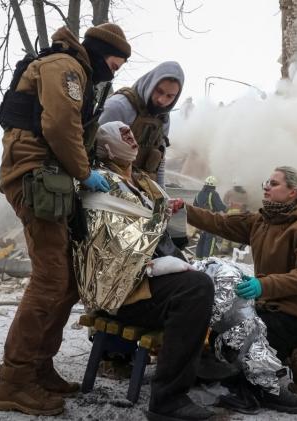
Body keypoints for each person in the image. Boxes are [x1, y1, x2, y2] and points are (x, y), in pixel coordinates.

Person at [0, 23, 131, 416]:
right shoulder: (65, 68)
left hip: (51, 179)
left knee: (67, 280)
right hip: (35, 177)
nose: (117, 69)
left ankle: (38, 366)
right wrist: (84, 172)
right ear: (102, 51)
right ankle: (13, 383)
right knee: (50, 278)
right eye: (116, 61)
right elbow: (58, 124)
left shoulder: (81, 72)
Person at [84, 121, 216, 421]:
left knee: (220, 276)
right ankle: (168, 401)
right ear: (106, 147)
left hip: (150, 278)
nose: (131, 138)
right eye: (123, 135)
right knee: (196, 288)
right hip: (124, 293)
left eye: (132, 133)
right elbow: (111, 248)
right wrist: (158, 264)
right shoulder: (101, 184)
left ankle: (216, 366)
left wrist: (175, 222)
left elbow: (167, 234)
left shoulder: (142, 182)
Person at [181, 166, 297, 413]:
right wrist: (184, 210)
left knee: (241, 341)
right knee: (219, 337)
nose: (266, 187)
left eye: (274, 183)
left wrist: (264, 285)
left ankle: (263, 392)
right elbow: (220, 222)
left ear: (293, 192)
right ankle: (294, 359)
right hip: (266, 307)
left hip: (296, 315)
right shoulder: (261, 221)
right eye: (266, 183)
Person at [99, 61, 184, 187]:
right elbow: (93, 151)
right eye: (159, 91)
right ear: (151, 84)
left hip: (142, 188)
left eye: (170, 96)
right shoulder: (118, 106)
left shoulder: (163, 118)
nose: (162, 100)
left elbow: (159, 162)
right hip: (109, 185)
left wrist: (163, 197)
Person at [193, 176, 226, 258]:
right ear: (214, 185)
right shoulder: (213, 194)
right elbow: (220, 207)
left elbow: (195, 207)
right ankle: (207, 259)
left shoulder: (198, 194)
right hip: (210, 220)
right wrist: (229, 209)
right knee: (210, 240)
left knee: (202, 238)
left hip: (201, 221)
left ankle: (198, 258)